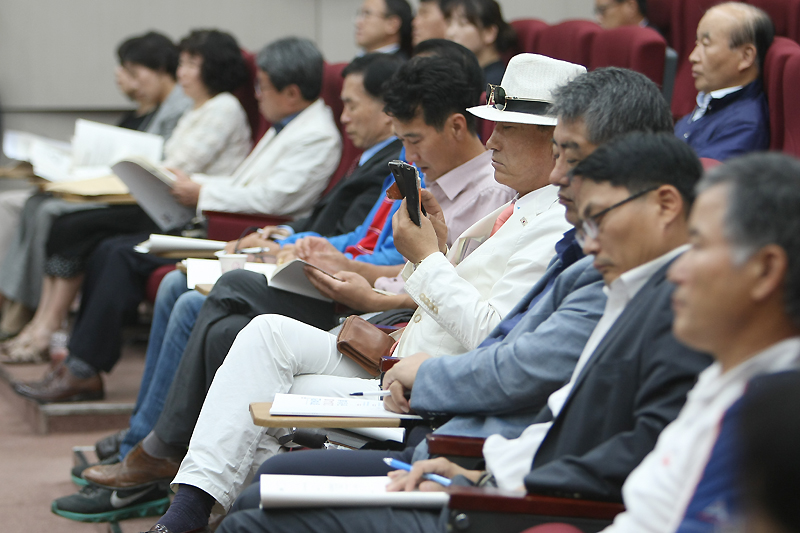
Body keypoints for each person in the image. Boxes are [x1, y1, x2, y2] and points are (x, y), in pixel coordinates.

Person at [81, 54, 582, 533]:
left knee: (253, 402)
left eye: (507, 128)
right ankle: (193, 505)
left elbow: (494, 333)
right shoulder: (522, 207)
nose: (491, 141)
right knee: (265, 334)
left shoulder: (555, 221)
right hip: (400, 349)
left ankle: (207, 508)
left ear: (557, 141)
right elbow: (451, 292)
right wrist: (435, 248)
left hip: (428, 382)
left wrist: (427, 258)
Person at [215, 132, 713, 533]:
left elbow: (514, 362)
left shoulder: (649, 298)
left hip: (480, 458)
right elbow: (553, 407)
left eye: (568, 154)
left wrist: (483, 472)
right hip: (469, 442)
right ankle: (189, 506)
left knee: (263, 499)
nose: (491, 140)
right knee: (264, 431)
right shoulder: (588, 261)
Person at [49, 52, 407, 524]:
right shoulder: (390, 160)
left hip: (369, 310)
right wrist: (295, 241)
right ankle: (154, 444)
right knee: (193, 302)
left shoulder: (413, 169)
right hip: (339, 278)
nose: (343, 117)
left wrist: (322, 254)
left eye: (353, 105)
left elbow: (392, 262)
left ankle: (159, 452)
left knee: (213, 289)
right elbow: (349, 234)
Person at [12, 36, 341, 400]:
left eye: (262, 87)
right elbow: (243, 183)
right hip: (227, 220)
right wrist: (200, 185)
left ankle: (83, 370)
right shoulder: (288, 123)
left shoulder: (316, 135)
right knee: (108, 249)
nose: (257, 96)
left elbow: (276, 199)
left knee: (121, 255)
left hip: (243, 234)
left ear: (291, 93)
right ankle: (79, 364)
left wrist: (202, 192)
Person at [1, 29, 252, 366]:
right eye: (183, 63)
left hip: (183, 213)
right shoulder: (199, 108)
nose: (182, 72)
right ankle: (41, 324)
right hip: (162, 202)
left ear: (214, 68)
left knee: (75, 228)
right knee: (66, 224)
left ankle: (47, 328)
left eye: (192, 64)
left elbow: (178, 167)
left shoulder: (223, 108)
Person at [601, 153, 800, 533]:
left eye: (698, 245)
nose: (675, 271)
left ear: (766, 270)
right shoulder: (724, 376)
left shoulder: (770, 420)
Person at [0, 31, 191, 341]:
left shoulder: (182, 110)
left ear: (160, 70)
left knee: (56, 216)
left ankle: (38, 317)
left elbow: (165, 165)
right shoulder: (149, 110)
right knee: (40, 206)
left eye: (132, 72)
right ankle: (27, 310)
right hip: (118, 190)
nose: (122, 78)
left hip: (141, 201)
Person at [674, 2, 774, 161]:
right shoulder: (713, 102)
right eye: (696, 43)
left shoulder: (744, 126)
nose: (693, 57)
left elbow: (696, 182)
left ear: (746, 57)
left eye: (706, 45)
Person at [442, 0, 516, 85]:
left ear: (489, 33)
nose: (450, 33)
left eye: (462, 24)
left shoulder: (497, 83)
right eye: (449, 23)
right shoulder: (467, 75)